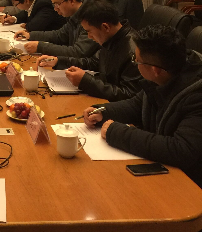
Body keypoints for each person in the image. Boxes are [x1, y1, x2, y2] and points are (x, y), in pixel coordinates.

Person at [83, 25, 202, 188]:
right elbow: (136, 105)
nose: (135, 63)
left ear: (155, 70)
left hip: (188, 184)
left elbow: (180, 150)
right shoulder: (165, 74)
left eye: (136, 60)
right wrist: (103, 111)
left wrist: (116, 132)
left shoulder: (197, 95)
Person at [37, 0, 142, 101]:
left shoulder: (134, 51)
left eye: (89, 31)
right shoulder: (112, 38)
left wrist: (86, 82)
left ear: (105, 27)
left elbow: (128, 95)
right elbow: (92, 62)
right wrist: (58, 61)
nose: (89, 36)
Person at [15, 0, 100, 58]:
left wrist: (40, 47)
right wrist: (30, 35)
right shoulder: (74, 15)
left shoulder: (90, 16)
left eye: (57, 4)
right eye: (54, 5)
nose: (55, 9)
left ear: (71, 1)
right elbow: (59, 35)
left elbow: (78, 51)